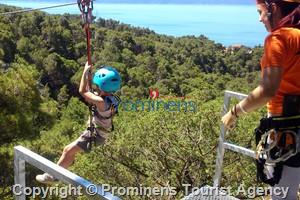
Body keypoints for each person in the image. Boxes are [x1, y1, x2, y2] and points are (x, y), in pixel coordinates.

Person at [222, 0, 300, 199]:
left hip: (287, 135)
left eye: (261, 12)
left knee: (283, 194)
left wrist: (234, 112)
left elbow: (267, 90)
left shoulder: (279, 39)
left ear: (273, 8)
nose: (259, 19)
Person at [36, 62, 121, 183]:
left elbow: (82, 91)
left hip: (95, 135)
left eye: (98, 86)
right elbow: (91, 93)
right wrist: (89, 79)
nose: (96, 88)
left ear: (102, 86)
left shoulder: (101, 101)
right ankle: (62, 167)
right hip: (100, 134)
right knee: (69, 152)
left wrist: (85, 72)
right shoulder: (113, 99)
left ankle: (53, 176)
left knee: (67, 150)